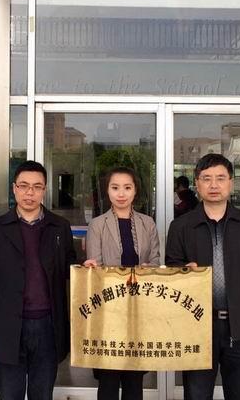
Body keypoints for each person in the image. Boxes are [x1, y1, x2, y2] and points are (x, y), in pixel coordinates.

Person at [165, 153, 240, 400]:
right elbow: (171, 271)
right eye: (207, 179)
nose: (214, 185)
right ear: (197, 183)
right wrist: (183, 272)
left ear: (231, 183)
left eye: (220, 178)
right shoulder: (181, 226)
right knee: (196, 394)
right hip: (197, 327)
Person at [0, 160, 77, 400]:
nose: (30, 192)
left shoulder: (60, 227)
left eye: (37, 187)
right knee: (10, 394)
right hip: (8, 326)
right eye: (24, 186)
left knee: (43, 394)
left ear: (44, 190)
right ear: (14, 188)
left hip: (48, 326)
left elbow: (69, 269)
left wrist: (86, 269)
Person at [83, 166, 160, 400]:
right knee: (108, 376)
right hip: (108, 310)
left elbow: (155, 262)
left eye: (127, 187)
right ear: (107, 191)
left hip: (139, 310)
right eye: (115, 187)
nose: (121, 193)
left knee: (134, 378)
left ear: (135, 191)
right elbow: (96, 268)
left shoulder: (148, 223)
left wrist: (149, 270)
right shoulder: (97, 224)